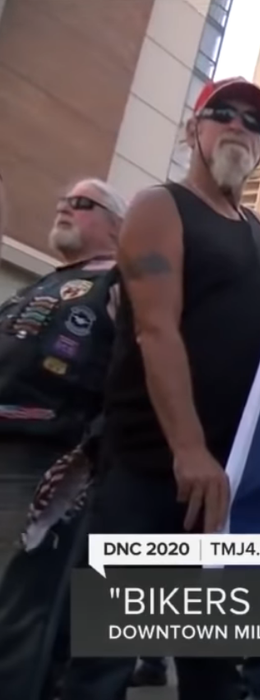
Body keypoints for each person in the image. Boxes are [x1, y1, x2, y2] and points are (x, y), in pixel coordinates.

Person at [60, 77, 260, 700]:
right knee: (103, 661)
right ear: (195, 129)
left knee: (213, 664)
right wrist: (188, 450)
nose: (239, 126)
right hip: (153, 469)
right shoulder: (160, 207)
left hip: (224, 486)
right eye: (224, 114)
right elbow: (156, 331)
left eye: (254, 121)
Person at [0, 178, 127, 700]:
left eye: (82, 204)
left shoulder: (124, 280)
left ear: (117, 227)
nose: (65, 208)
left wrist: (93, 442)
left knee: (17, 612)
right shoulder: (43, 284)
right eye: (63, 201)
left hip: (47, 457)